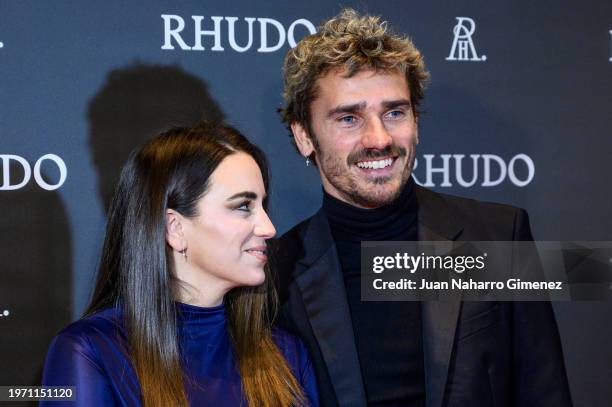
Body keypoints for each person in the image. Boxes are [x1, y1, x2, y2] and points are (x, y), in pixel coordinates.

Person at [273, 9, 572, 407]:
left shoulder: (499, 234)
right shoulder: (276, 273)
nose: (379, 139)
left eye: (394, 112)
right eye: (349, 118)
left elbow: (545, 393)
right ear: (304, 135)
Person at [41, 123, 318, 406]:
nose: (269, 228)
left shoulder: (286, 352)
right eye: (243, 206)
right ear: (174, 228)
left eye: (263, 205)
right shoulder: (92, 351)